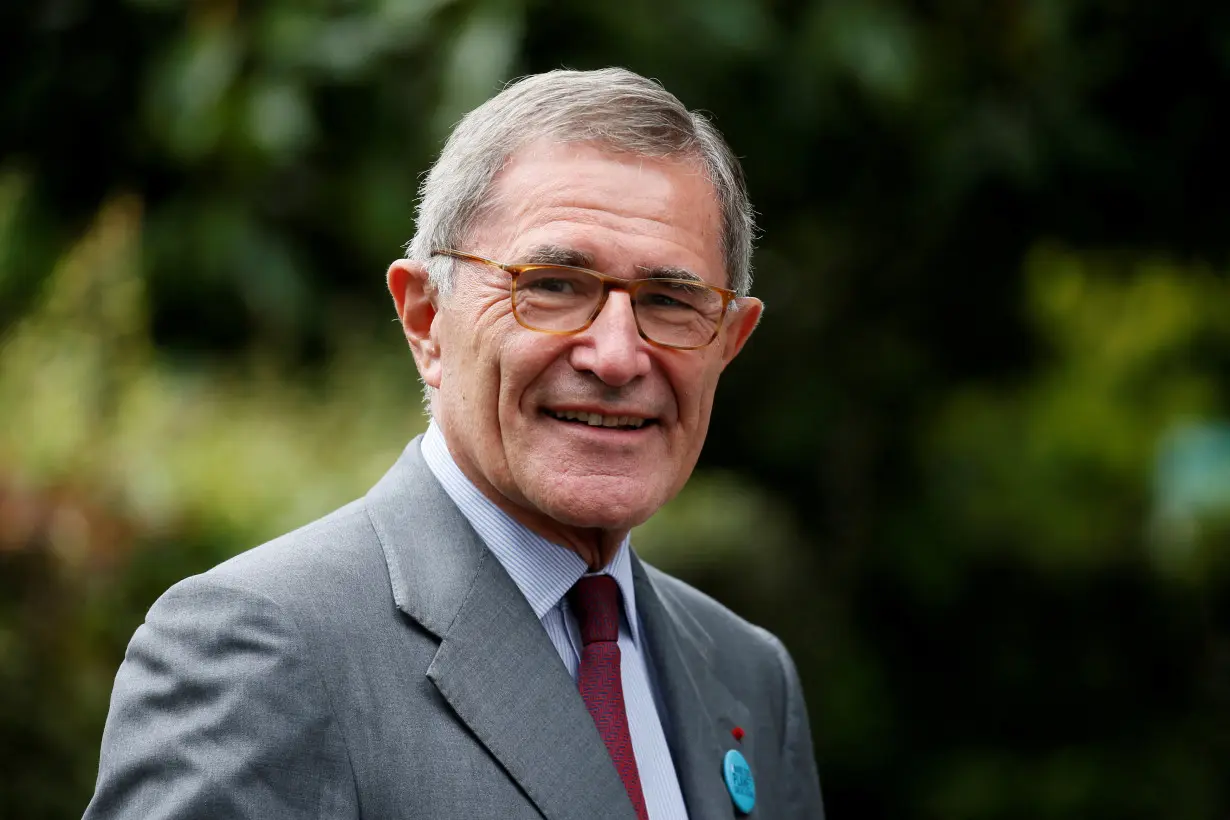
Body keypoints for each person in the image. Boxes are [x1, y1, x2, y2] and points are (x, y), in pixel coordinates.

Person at [83, 67, 824, 820]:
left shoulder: (749, 678)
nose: (616, 355)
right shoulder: (261, 653)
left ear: (730, 342)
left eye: (670, 301)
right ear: (425, 321)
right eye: (555, 284)